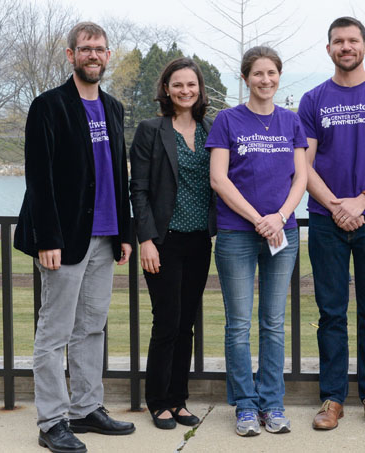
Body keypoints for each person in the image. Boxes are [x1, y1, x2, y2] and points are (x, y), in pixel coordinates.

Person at [14, 21, 135, 453]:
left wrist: (125, 232)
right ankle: (51, 421)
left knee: (92, 328)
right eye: (85, 49)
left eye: (100, 49)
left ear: (107, 55)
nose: (94, 55)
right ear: (71, 55)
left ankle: (86, 409)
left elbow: (118, 176)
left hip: (104, 238)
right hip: (64, 241)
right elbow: (39, 178)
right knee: (54, 332)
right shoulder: (49, 106)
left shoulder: (114, 108)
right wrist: (48, 238)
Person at [298, 16, 365, 432]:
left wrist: (362, 201)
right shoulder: (312, 100)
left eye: (352, 40)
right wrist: (334, 204)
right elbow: (302, 163)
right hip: (326, 220)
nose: (346, 47)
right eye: (338, 41)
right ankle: (331, 398)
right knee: (331, 312)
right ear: (329, 49)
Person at [207, 45, 307, 436]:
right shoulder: (227, 120)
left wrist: (279, 217)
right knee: (238, 324)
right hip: (237, 233)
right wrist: (257, 220)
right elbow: (219, 179)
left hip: (284, 232)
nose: (265, 80)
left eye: (272, 73)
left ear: (279, 76)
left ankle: (273, 403)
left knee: (273, 322)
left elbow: (300, 178)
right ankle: (245, 406)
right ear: (245, 78)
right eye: (258, 74)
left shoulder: (291, 122)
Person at [129, 57, 215, 430]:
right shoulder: (151, 129)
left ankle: (179, 400)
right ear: (166, 88)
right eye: (177, 85)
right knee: (166, 321)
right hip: (163, 241)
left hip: (200, 240)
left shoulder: (211, 130)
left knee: (186, 325)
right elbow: (139, 189)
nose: (185, 91)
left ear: (200, 89)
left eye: (191, 85)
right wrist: (145, 238)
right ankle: (158, 401)